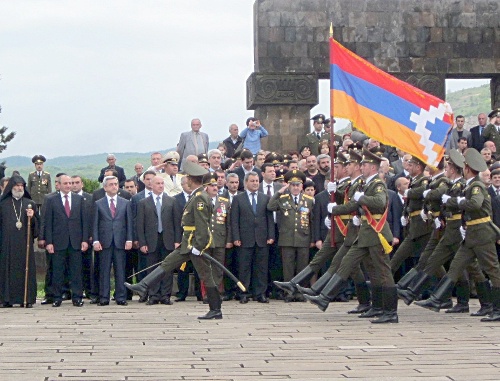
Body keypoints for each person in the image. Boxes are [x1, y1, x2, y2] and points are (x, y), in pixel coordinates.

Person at [304, 148, 397, 324]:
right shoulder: (366, 184)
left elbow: (380, 203)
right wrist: (338, 208)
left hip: (377, 234)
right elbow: (355, 204)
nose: (361, 167)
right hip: (364, 234)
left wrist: (362, 199)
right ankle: (325, 297)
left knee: (382, 272)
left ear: (372, 167)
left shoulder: (377, 183)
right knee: (347, 263)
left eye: (364, 164)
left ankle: (391, 312)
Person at [126, 161, 223, 320]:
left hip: (194, 244)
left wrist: (199, 246)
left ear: (192, 179)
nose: (186, 181)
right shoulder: (197, 196)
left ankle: (215, 309)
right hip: (188, 243)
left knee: (206, 275)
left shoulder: (200, 198)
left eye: (187, 178)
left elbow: (203, 226)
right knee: (168, 263)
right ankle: (143, 286)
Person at [415, 148, 500, 322]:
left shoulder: (476, 186)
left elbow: (474, 204)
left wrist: (457, 201)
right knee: (456, 266)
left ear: (468, 169)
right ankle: (437, 299)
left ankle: (496, 308)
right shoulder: (470, 185)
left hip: (482, 233)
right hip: (471, 234)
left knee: (492, 270)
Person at [268, 170, 314, 302]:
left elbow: (312, 220)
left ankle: (300, 292)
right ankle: (289, 293)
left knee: (302, 267)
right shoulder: (283, 199)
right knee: (287, 267)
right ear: (289, 186)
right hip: (287, 238)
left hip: (303, 238)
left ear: (301, 186)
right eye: (292, 185)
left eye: (297, 185)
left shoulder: (309, 201)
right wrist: (279, 192)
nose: (295, 187)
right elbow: (270, 206)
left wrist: (312, 239)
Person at [43, 174, 89, 307]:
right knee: (58, 271)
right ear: (59, 184)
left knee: (76, 271)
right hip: (58, 242)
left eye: (70, 183)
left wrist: (85, 239)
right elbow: (48, 223)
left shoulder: (79, 199)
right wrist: (49, 242)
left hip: (75, 241)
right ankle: (57, 297)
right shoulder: (52, 200)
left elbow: (84, 222)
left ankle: (77, 297)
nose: (69, 186)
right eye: (66, 183)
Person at [231, 171, 275, 304]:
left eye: (257, 181)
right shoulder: (238, 198)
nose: (255, 183)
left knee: (261, 268)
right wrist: (236, 237)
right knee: (244, 268)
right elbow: (234, 220)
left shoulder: (265, 198)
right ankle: (243, 293)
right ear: (246, 183)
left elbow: (269, 219)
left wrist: (271, 235)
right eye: (252, 181)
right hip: (244, 239)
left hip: (262, 238)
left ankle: (260, 293)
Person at [136, 176, 181, 305]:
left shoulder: (171, 201)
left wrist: (177, 240)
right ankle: (153, 295)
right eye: (158, 183)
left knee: (167, 268)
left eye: (162, 183)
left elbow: (177, 223)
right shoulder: (144, 202)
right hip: (151, 240)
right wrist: (142, 242)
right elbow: (140, 225)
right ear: (151, 184)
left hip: (168, 239)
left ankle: (165, 295)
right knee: (152, 268)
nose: (160, 186)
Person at [93, 176, 133, 306]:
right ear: (105, 187)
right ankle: (104, 297)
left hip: (120, 241)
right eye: (111, 184)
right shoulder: (98, 203)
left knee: (120, 270)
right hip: (104, 241)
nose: (114, 186)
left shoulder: (125, 202)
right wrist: (95, 240)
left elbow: (129, 223)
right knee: (104, 271)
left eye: (116, 184)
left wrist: (129, 239)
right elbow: (95, 224)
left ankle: (121, 296)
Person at [0, 176, 38, 308]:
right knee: (6, 270)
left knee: (25, 269)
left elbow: (36, 227)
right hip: (6, 245)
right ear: (11, 187)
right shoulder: (2, 204)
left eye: (21, 185)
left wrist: (31, 217)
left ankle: (26, 299)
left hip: (24, 244)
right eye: (16, 185)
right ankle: (6, 299)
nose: (19, 188)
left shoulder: (30, 203)